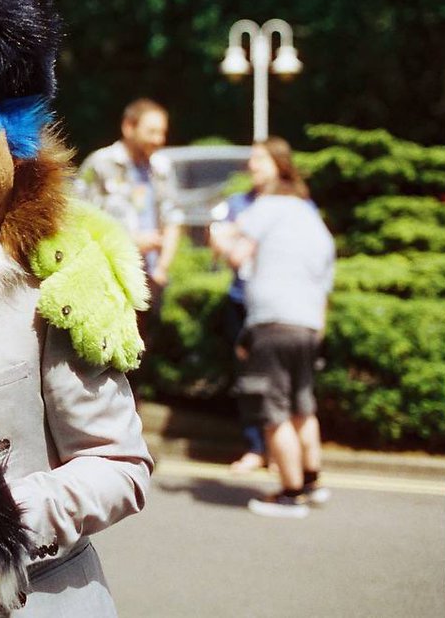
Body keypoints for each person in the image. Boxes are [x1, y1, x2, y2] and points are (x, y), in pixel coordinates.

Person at [209, 137, 335, 518]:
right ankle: (311, 481)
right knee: (302, 404)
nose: (252, 168)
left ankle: (290, 494)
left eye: (259, 161)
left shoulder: (268, 207)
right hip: (308, 324)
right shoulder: (310, 215)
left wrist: (218, 236)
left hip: (273, 320)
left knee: (272, 409)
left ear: (279, 167)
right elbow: (326, 274)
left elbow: (236, 252)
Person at [76, 99, 183, 339]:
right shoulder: (101, 164)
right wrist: (130, 242)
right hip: (109, 279)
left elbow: (173, 216)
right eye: (152, 131)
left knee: (143, 354)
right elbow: (78, 219)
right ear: (128, 127)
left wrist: (163, 267)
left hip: (149, 279)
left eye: (162, 132)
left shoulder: (162, 168)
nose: (159, 139)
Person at [211, 189, 269, 473]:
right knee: (247, 376)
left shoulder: (290, 204)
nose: (254, 166)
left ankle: (278, 448)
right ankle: (256, 447)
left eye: (262, 160)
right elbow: (219, 241)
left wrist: (240, 232)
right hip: (241, 300)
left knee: (276, 379)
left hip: (273, 305)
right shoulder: (237, 202)